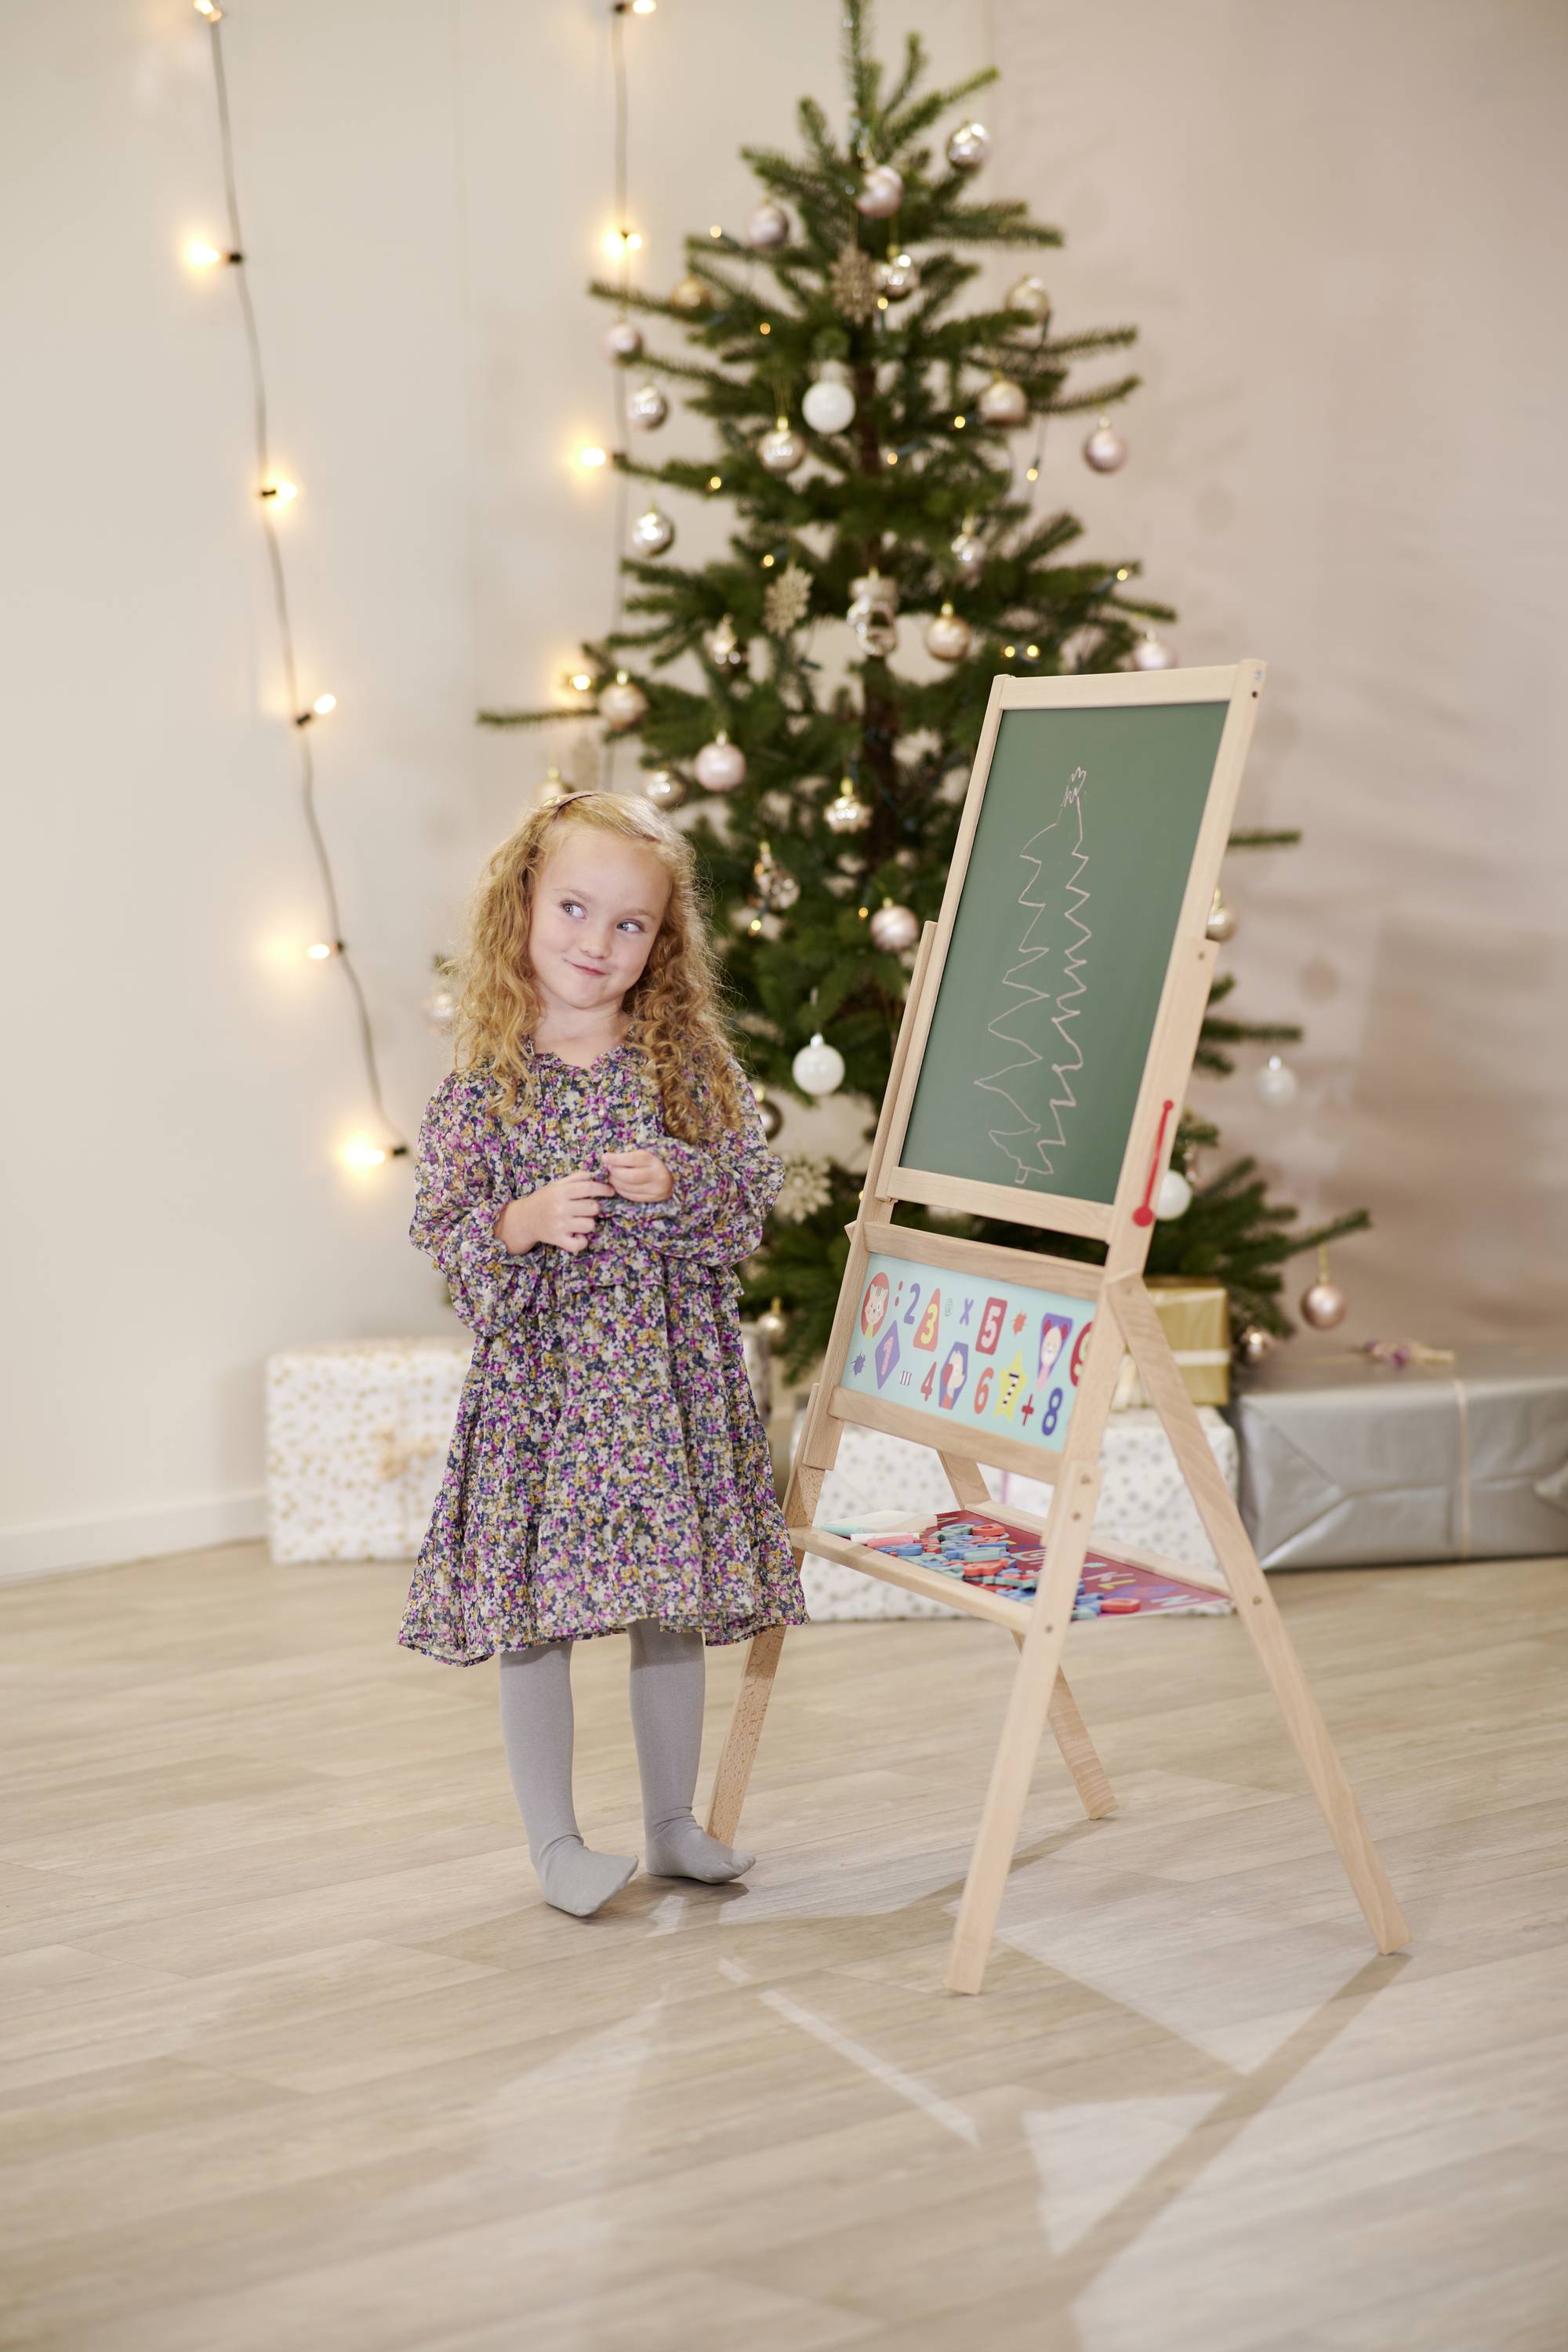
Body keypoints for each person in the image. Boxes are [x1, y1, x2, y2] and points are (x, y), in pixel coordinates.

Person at [398, 788, 807, 1918]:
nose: (598, 942)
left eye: (630, 925)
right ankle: (556, 1844)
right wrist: (521, 1222)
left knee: (667, 1604)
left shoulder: (685, 1066)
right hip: (549, 1392)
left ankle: (674, 1823)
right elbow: (450, 1229)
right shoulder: (486, 1086)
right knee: (540, 1617)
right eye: (575, 909)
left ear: (662, 942)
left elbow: (744, 1205)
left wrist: (680, 1183)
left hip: (664, 1386)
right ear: (523, 908)